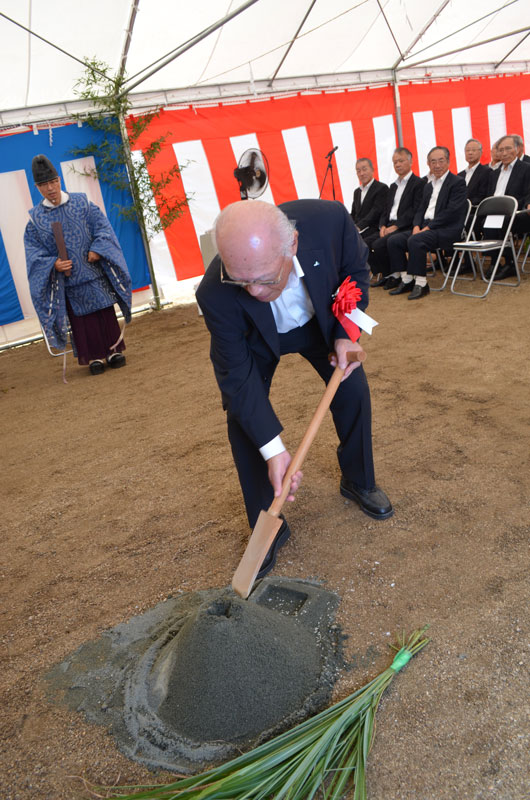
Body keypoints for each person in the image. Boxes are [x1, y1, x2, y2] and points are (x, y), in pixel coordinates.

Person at [196, 198, 393, 578]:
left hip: (319, 321)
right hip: (257, 337)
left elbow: (356, 271)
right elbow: (238, 380)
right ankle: (265, 524)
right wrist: (274, 451)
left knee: (351, 388)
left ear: (294, 245)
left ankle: (358, 479)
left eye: (265, 278)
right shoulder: (215, 293)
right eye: (242, 280)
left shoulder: (331, 222)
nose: (253, 291)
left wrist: (346, 334)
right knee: (244, 420)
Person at [24, 154, 131, 375]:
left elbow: (103, 228)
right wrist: (53, 264)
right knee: (82, 322)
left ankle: (113, 351)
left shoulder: (82, 202)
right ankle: (94, 358)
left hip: (94, 273)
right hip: (70, 283)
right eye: (44, 185)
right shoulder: (35, 219)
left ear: (59, 181)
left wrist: (98, 249)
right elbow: (34, 253)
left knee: (104, 313)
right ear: (37, 188)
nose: (50, 188)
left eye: (53, 182)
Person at [387, 146, 467, 300]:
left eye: (440, 161)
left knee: (416, 240)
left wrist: (428, 227)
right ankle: (407, 279)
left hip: (447, 229)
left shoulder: (458, 183)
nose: (437, 165)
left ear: (448, 161)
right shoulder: (428, 186)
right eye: (433, 162)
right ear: (428, 164)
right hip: (425, 227)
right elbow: (420, 209)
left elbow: (451, 212)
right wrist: (417, 225)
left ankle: (422, 283)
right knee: (394, 240)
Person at [369, 147, 425, 290]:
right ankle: (391, 275)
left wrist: (396, 226)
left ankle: (403, 276)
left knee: (387, 242)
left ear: (411, 161)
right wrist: (382, 226)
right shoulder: (393, 186)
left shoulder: (418, 183)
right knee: (372, 243)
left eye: (401, 161)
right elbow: (386, 210)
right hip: (389, 224)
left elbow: (415, 210)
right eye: (395, 162)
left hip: (406, 225)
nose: (398, 165)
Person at [482, 135, 530, 280]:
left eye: (508, 148)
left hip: (517, 212)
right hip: (494, 213)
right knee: (480, 221)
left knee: (499, 222)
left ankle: (509, 264)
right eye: (501, 150)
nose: (504, 153)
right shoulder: (494, 173)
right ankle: (496, 262)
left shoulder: (526, 169)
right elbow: (489, 195)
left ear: (517, 149)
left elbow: (528, 192)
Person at [350, 158, 388, 243]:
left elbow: (375, 212)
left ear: (372, 170)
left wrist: (358, 226)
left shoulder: (381, 188)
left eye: (364, 169)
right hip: (358, 230)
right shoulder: (357, 192)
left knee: (358, 244)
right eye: (358, 171)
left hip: (373, 229)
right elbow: (354, 214)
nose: (361, 173)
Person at [458, 139, 490, 206]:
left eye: (473, 150)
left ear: (481, 152)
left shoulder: (486, 172)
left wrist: (463, 204)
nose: (470, 153)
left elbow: (483, 196)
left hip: (474, 211)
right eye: (468, 150)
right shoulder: (460, 175)